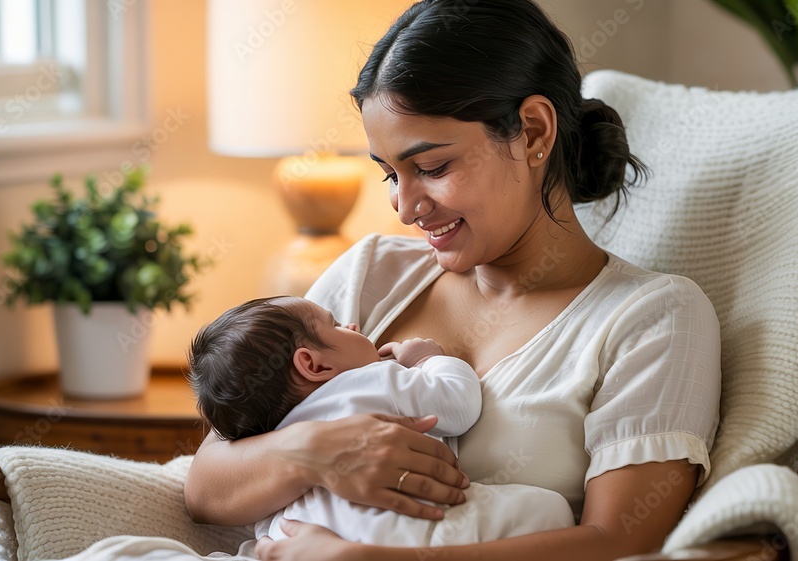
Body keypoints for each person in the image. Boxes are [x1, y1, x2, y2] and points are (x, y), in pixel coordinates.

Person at [185, 1, 722, 559]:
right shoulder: (371, 273)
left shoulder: (652, 319)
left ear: (533, 131)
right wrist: (314, 451)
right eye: (390, 174)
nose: (405, 207)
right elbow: (207, 486)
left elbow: (624, 539)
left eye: (433, 168)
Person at [187, 296, 574, 546]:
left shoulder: (269, 429)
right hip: (410, 529)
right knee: (551, 511)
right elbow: (459, 406)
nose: (352, 326)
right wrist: (428, 360)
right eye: (336, 324)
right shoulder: (374, 379)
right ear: (313, 364)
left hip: (305, 537)